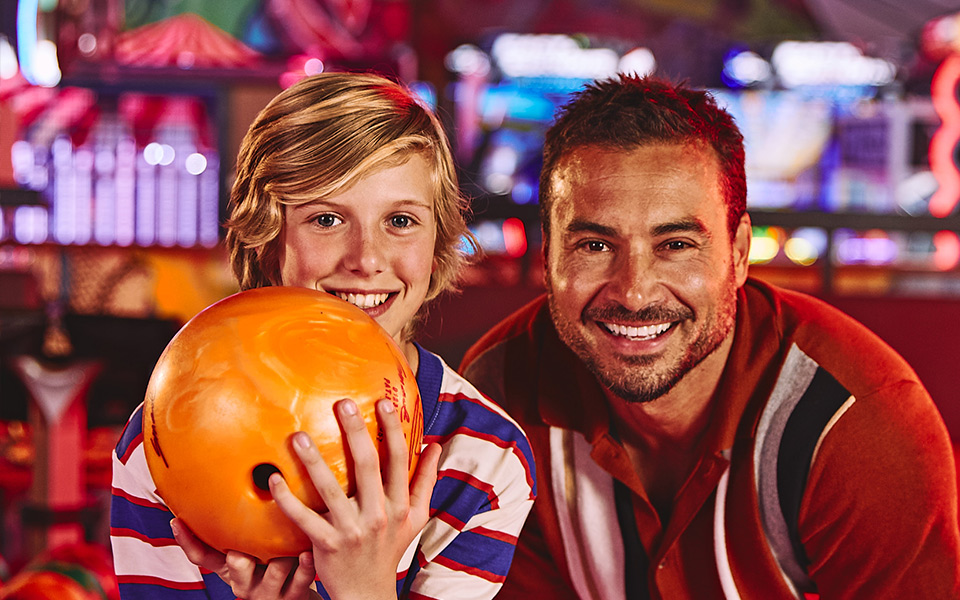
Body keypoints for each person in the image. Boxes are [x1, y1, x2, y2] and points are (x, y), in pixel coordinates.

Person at [459, 75, 960, 599]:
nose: (633, 292)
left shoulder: (854, 422)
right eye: (594, 245)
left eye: (675, 244)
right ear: (548, 257)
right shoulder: (498, 391)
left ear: (739, 253)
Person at [110, 72, 536, 600]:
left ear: (439, 240)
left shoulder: (484, 461)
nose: (366, 260)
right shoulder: (163, 440)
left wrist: (363, 589)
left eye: (401, 220)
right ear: (270, 238)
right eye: (327, 218)